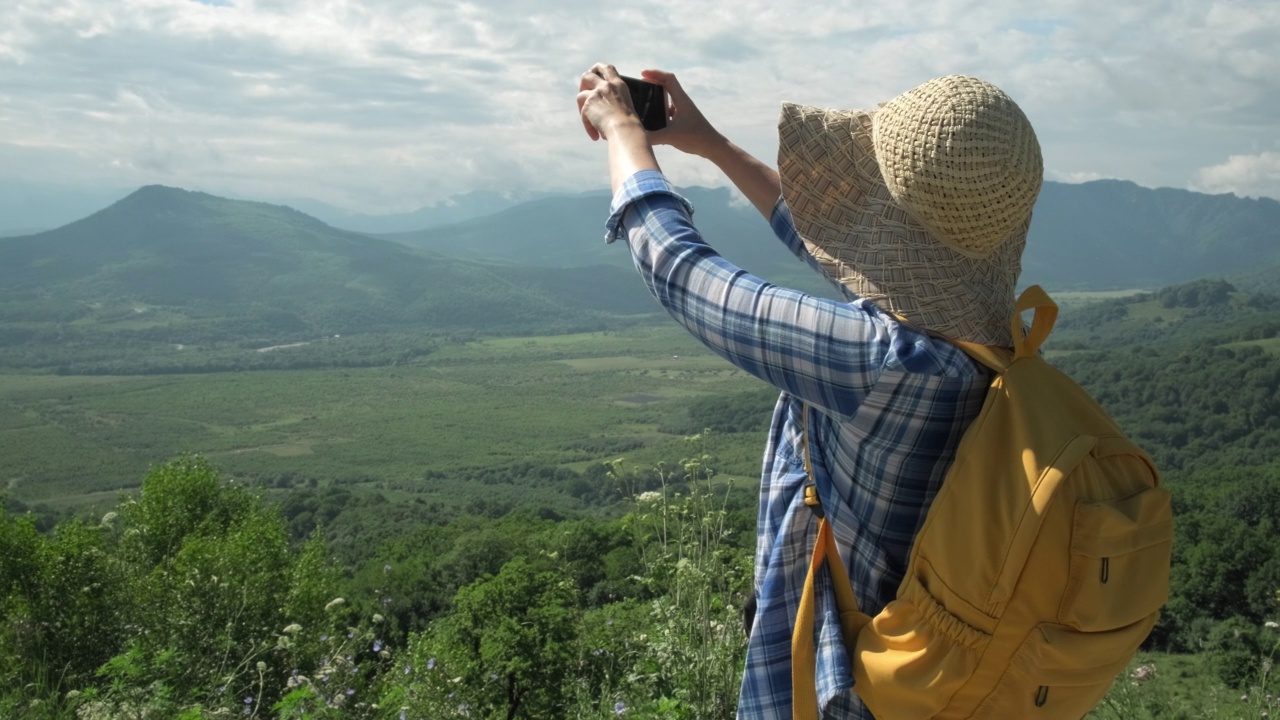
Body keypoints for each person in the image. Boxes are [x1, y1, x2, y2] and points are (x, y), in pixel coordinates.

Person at [577, 64, 1043, 718]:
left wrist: (626, 131)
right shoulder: (993, 345)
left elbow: (686, 275)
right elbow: (831, 245)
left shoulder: (888, 364)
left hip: (842, 693)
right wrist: (708, 142)